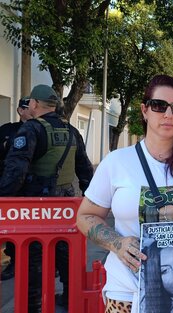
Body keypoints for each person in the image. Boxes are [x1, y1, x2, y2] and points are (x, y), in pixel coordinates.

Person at [76, 74, 173, 313]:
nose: (168, 114)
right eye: (159, 106)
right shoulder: (116, 162)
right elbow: (85, 216)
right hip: (126, 290)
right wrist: (117, 243)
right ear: (144, 110)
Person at [0, 84, 94, 312]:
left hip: (35, 207)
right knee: (66, 255)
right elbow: (85, 169)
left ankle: (33, 305)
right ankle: (70, 299)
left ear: (33, 104)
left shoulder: (30, 129)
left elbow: (16, 172)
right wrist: (89, 201)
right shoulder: (71, 131)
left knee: (32, 260)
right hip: (66, 206)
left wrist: (4, 200)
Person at [0, 96, 33, 281]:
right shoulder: (7, 130)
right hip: (11, 189)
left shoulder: (39, 130)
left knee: (34, 229)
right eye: (29, 107)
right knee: (13, 229)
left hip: (32, 189)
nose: (33, 110)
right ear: (21, 110)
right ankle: (14, 261)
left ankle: (36, 263)